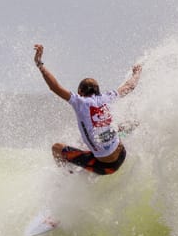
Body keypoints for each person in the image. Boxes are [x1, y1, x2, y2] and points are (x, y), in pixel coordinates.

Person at [33, 44, 142, 175]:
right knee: (117, 128)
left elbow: (54, 87)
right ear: (98, 91)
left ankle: (67, 175)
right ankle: (134, 127)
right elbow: (130, 86)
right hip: (122, 154)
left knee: (56, 148)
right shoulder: (108, 97)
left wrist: (40, 64)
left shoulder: (79, 102)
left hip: (105, 167)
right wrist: (137, 72)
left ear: (79, 92)